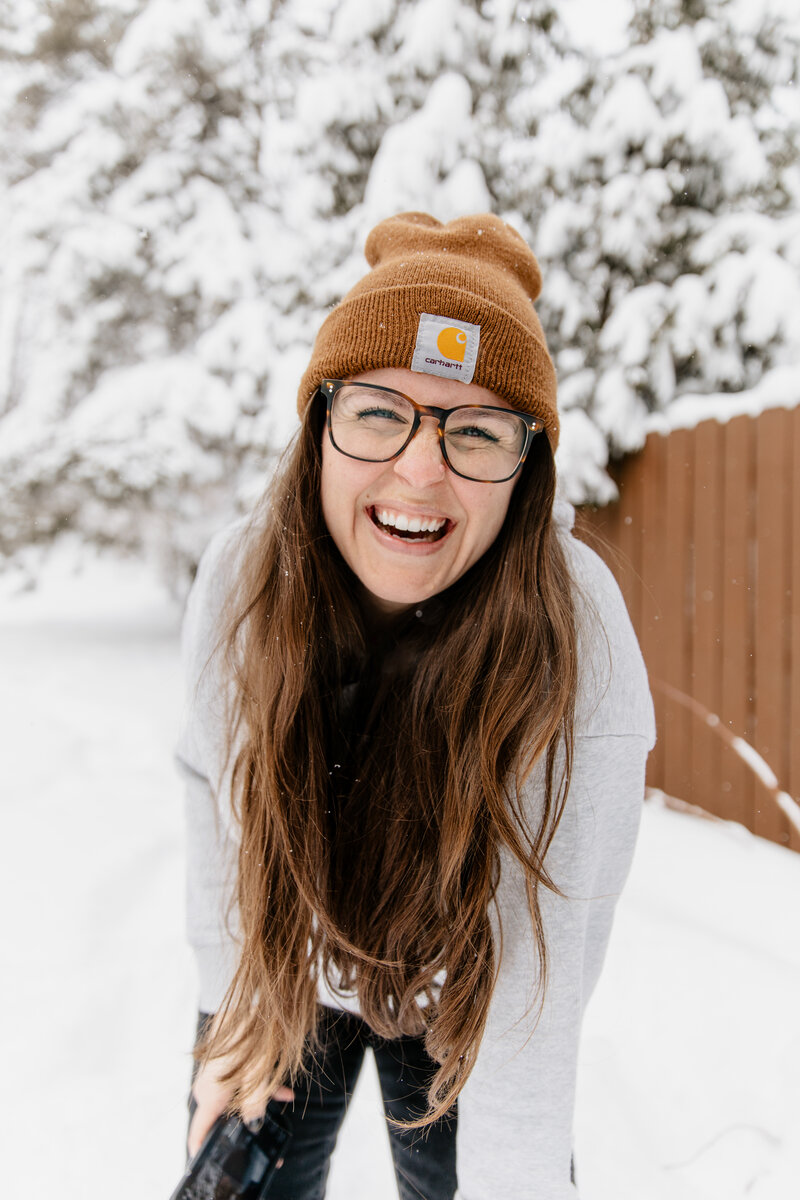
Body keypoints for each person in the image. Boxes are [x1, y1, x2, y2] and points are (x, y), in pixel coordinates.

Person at [175, 211, 656, 1200]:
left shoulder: (577, 632)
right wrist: (232, 1013)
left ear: (525, 474)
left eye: (477, 429)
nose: (420, 469)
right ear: (319, 424)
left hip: (464, 986)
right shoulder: (242, 583)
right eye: (377, 411)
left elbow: (539, 969)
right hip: (288, 956)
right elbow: (212, 798)